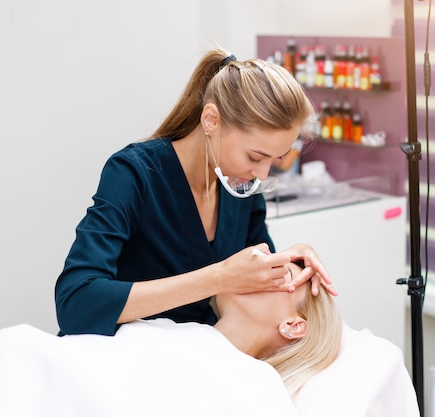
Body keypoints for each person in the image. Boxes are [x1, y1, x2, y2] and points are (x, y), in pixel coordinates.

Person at [55, 47, 337, 336]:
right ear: (211, 120)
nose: (262, 175)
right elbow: (75, 303)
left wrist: (293, 257)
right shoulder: (135, 173)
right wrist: (220, 278)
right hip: (117, 360)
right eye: (255, 157)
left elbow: (254, 283)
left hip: (190, 363)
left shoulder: (241, 189)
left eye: (275, 160)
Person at [0, 260, 343, 416]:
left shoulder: (257, 384)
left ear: (293, 326)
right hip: (16, 370)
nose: (259, 268)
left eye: (279, 274)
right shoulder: (170, 327)